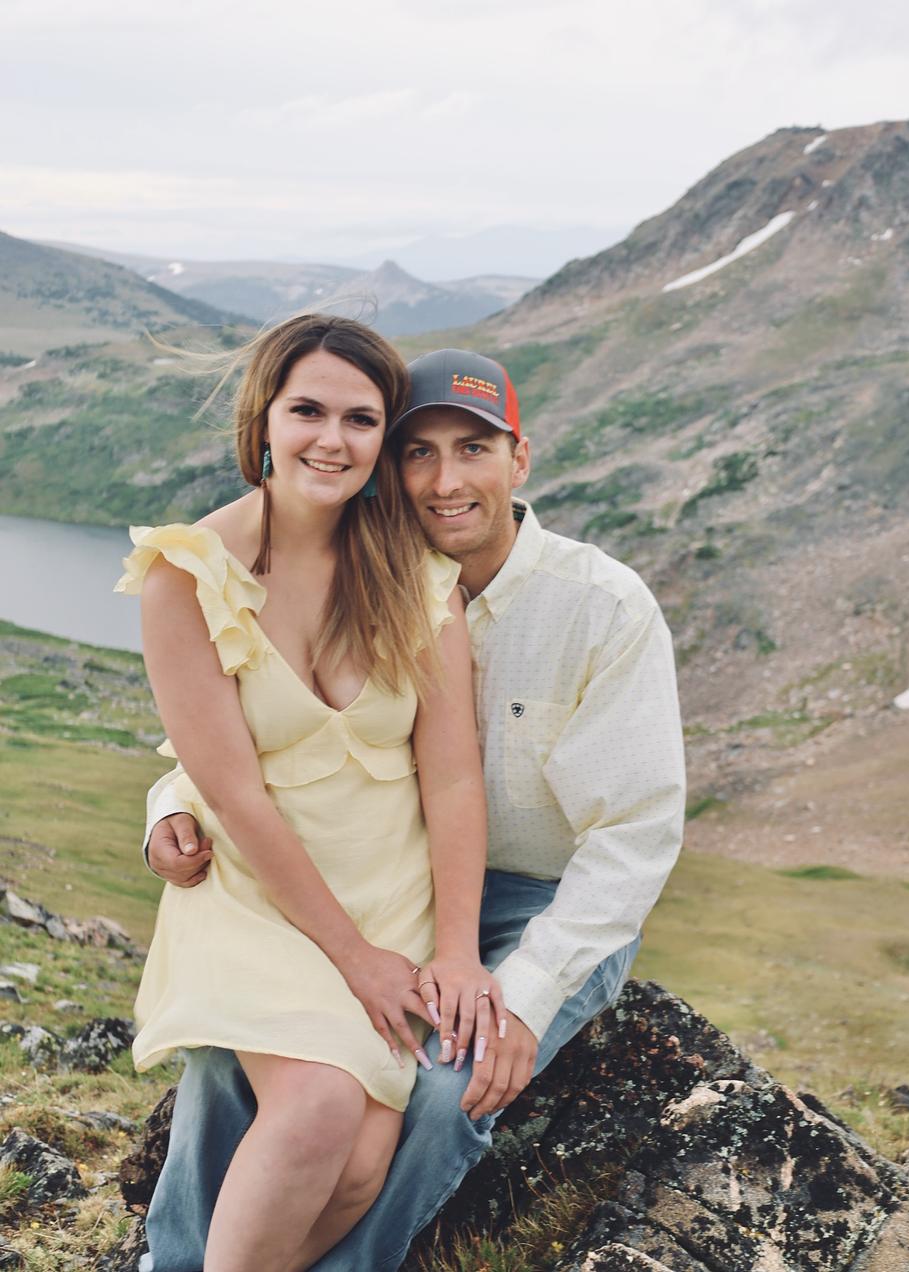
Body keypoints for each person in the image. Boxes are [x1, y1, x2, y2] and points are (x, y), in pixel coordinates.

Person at [140, 347, 686, 1272]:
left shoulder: (601, 608)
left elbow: (633, 841)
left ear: (519, 459)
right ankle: (175, 1260)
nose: (445, 482)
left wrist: (525, 991)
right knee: (236, 1063)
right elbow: (259, 740)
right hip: (381, 877)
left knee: (444, 1088)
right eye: (418, 452)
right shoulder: (368, 563)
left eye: (474, 450)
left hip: (542, 902)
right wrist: (168, 806)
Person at [117, 319, 500, 1272]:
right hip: (259, 894)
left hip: (391, 894)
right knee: (319, 1106)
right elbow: (235, 794)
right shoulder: (185, 576)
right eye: (308, 412)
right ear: (264, 422)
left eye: (361, 420)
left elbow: (454, 775)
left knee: (363, 1168)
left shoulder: (415, 574)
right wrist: (356, 961)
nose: (332, 440)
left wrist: (455, 950)